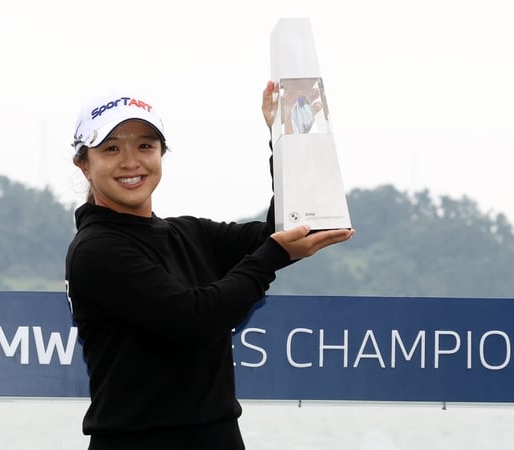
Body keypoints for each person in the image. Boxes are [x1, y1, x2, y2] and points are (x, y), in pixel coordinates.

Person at [64, 82, 355, 450]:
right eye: (110, 149)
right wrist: (272, 257)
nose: (131, 161)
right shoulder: (95, 251)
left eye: (144, 146)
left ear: (161, 154)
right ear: (84, 164)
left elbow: (286, 228)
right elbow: (193, 320)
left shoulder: (187, 233)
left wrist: (289, 135)